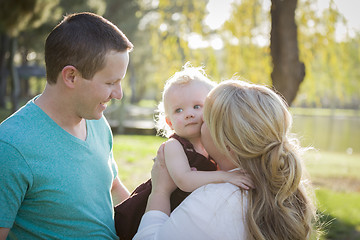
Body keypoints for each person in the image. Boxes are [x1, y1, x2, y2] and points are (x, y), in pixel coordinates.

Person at [0, 12, 133, 239]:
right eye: (111, 82)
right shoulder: (11, 146)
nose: (118, 94)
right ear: (71, 76)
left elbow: (112, 187)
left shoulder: (98, 123)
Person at [133, 80, 319, 240]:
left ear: (225, 143)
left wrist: (160, 191)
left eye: (205, 119)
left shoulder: (213, 203)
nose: (196, 121)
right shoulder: (278, 188)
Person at [114, 65, 253, 240]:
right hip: (153, 210)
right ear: (169, 122)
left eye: (197, 106)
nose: (188, 114)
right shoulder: (174, 146)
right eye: (179, 110)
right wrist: (226, 176)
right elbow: (184, 180)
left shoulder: (210, 146)